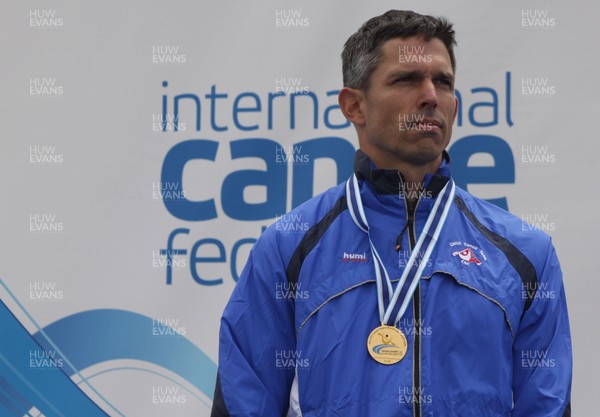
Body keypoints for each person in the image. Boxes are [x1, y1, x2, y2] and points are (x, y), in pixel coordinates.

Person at [211, 10, 572, 417]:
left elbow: (546, 407)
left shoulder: (526, 254)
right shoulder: (287, 247)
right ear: (354, 106)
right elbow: (245, 403)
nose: (431, 96)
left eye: (443, 82)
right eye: (406, 79)